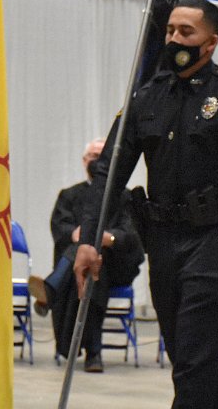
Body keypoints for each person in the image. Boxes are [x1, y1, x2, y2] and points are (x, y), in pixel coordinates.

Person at [74, 0, 218, 408]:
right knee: (190, 365)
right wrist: (89, 239)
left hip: (216, 240)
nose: (174, 39)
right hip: (163, 241)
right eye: (170, 30)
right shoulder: (146, 99)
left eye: (186, 32)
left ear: (211, 42)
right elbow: (109, 175)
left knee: (192, 362)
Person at [28, 138, 143, 373]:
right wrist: (78, 237)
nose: (97, 161)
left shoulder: (124, 197)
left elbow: (132, 235)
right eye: (93, 156)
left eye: (102, 156)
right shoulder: (70, 195)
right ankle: (94, 353)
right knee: (88, 263)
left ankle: (51, 289)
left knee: (90, 253)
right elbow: (61, 227)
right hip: (84, 269)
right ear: (84, 161)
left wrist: (109, 239)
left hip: (117, 263)